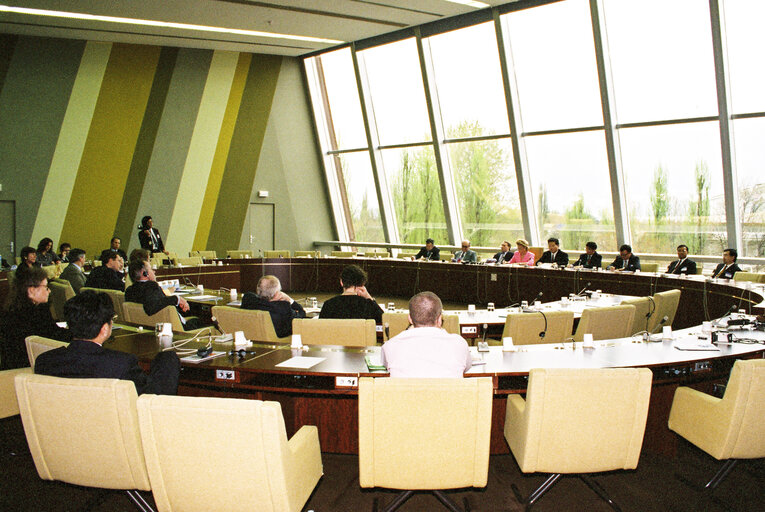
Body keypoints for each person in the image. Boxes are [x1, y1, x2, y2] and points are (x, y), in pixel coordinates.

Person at [35, 290, 181, 395]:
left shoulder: (44, 361)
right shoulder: (121, 364)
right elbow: (153, 398)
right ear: (105, 329)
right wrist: (168, 359)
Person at [381, 291, 472, 378]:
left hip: (406, 394)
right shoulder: (460, 344)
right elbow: (467, 367)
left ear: (410, 319)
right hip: (449, 394)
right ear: (440, 319)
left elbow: (386, 366)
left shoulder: (390, 345)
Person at [0, 266, 71, 369]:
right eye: (46, 287)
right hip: (27, 367)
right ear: (32, 290)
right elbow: (52, 335)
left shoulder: (13, 308)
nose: (49, 291)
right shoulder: (30, 315)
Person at [125, 259, 202, 330]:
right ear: (145, 273)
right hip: (178, 330)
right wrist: (176, 299)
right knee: (204, 320)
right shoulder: (151, 286)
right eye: (151, 269)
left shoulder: (129, 291)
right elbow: (151, 308)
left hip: (148, 330)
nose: (154, 272)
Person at [241, 276, 306, 338]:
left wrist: (269, 299)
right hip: (280, 342)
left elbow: (251, 295)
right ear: (277, 292)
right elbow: (301, 315)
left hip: (251, 338)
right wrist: (289, 299)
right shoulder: (283, 307)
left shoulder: (248, 300)